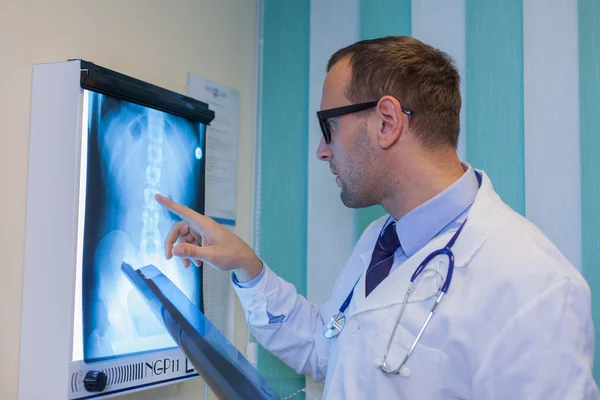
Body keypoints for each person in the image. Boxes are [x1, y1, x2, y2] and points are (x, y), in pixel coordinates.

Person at [155, 36, 599, 399]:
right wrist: (246, 268)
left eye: (328, 125)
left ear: (387, 122)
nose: (322, 148)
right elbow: (326, 349)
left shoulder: (535, 288)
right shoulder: (381, 239)